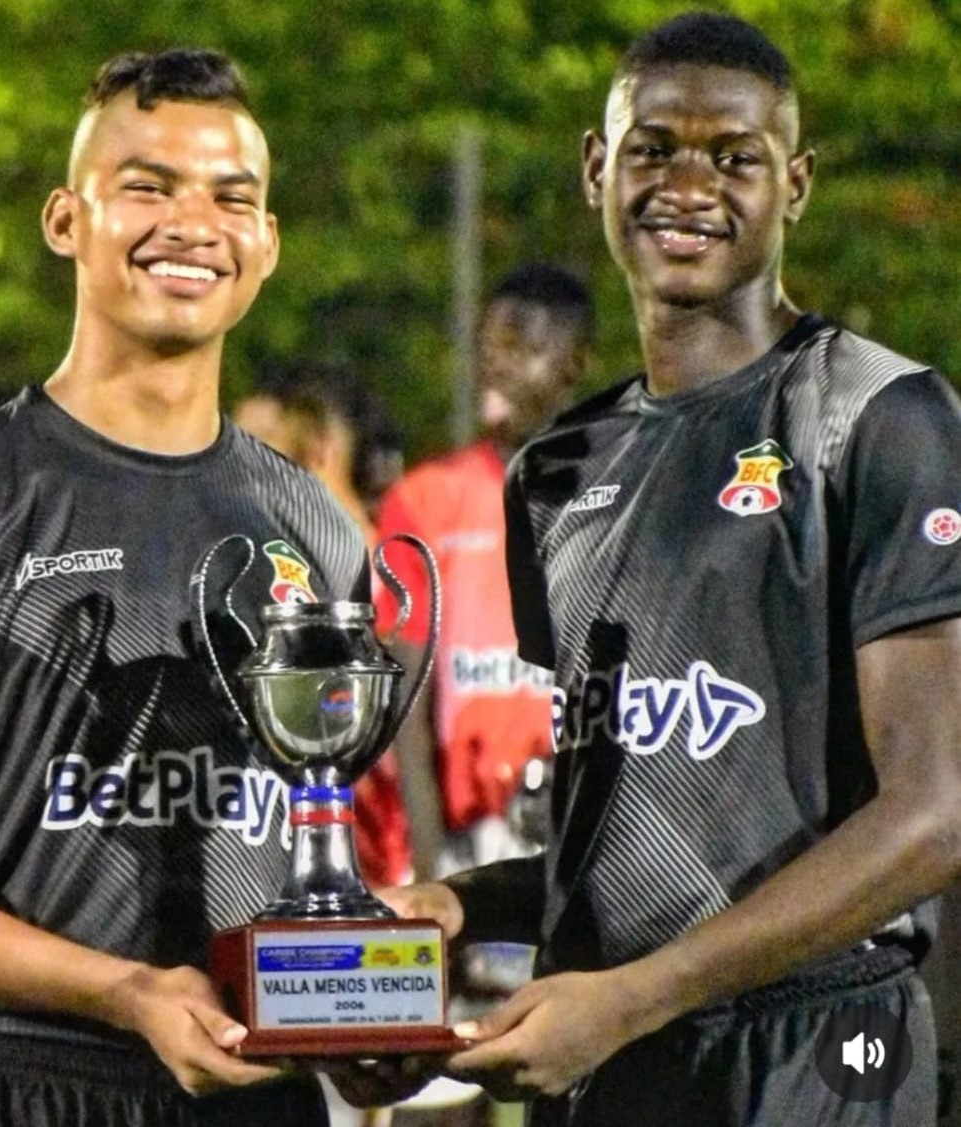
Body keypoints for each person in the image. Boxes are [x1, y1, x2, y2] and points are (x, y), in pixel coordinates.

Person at [379, 12, 961, 1126]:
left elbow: (935, 809)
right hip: (617, 1051)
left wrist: (634, 997)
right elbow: (633, 837)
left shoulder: (880, 417)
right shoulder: (556, 470)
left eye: (733, 156)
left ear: (794, 184)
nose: (687, 184)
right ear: (599, 166)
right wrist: (456, 908)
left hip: (814, 1046)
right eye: (653, 148)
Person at [0, 48, 370, 1127]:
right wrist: (122, 989)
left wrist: (359, 1010)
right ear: (67, 219)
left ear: (268, 242)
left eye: (231, 197)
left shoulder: (317, 528)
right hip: (19, 1084)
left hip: (257, 1093)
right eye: (147, 186)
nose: (194, 223)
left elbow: (317, 832)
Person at [374, 262, 593, 886]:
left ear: (575, 363)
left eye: (523, 348)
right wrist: (431, 869)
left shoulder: (620, 487)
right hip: (472, 846)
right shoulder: (424, 500)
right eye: (489, 346)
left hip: (587, 839)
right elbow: (405, 707)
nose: (497, 365)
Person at [234, 361, 413, 892]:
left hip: (396, 876)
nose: (233, 472)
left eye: (257, 448)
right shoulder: (256, 578)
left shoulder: (400, 580)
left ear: (318, 449)